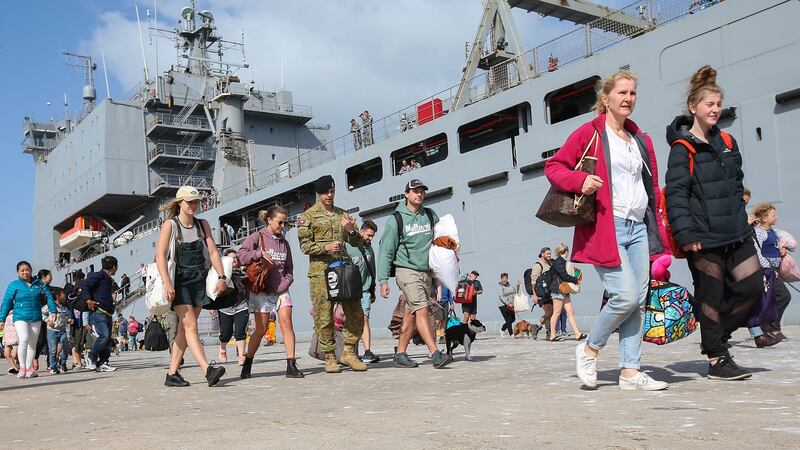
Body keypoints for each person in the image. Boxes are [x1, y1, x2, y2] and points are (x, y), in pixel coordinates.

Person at [546, 70, 670, 391]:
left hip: (639, 226)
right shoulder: (589, 133)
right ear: (606, 99)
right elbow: (554, 167)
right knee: (625, 296)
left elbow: (650, 184)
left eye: (632, 93)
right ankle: (589, 348)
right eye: (622, 93)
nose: (628, 99)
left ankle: (630, 372)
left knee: (638, 300)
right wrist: (581, 181)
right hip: (607, 225)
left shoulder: (639, 139)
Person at [664, 65, 762, 381]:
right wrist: (686, 233)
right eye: (710, 104)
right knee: (709, 296)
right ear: (694, 107)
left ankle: (715, 332)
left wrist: (741, 214)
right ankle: (718, 358)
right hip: (703, 237)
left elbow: (736, 185)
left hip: (735, 230)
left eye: (719, 104)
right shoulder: (683, 148)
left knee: (752, 287)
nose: (716, 110)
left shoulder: (728, 143)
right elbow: (676, 195)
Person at [378, 178, 453, 369]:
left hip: (426, 272)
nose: (419, 194)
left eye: (422, 191)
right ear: (406, 194)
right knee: (422, 309)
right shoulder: (396, 219)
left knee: (411, 313)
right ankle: (434, 353)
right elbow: (386, 250)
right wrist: (383, 280)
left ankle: (400, 353)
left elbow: (440, 240)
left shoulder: (430, 215)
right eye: (415, 191)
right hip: (406, 270)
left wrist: (451, 250)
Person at [156, 186, 226, 387]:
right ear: (180, 203)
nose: (194, 205)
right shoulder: (170, 225)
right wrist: (167, 282)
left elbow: (213, 252)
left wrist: (221, 276)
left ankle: (172, 374)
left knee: (184, 330)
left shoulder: (202, 224)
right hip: (179, 281)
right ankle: (208, 370)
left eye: (196, 202)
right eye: (189, 202)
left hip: (198, 280)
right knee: (191, 326)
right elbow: (160, 256)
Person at [298, 175, 367, 373]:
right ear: (318, 193)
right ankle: (329, 357)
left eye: (332, 191)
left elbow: (355, 242)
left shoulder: (342, 214)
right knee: (324, 315)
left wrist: (351, 231)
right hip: (320, 272)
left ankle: (349, 352)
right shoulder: (307, 217)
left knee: (355, 311)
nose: (329, 195)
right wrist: (325, 246)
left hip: (343, 269)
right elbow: (304, 246)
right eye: (325, 192)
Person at [238, 205, 303, 379]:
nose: (283, 226)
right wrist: (259, 253)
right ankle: (248, 362)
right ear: (269, 220)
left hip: (282, 290)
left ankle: (291, 364)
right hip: (262, 290)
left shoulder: (285, 243)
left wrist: (287, 281)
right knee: (261, 329)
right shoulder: (257, 237)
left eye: (285, 222)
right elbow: (241, 255)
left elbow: (289, 267)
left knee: (287, 323)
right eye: (280, 222)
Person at [0, 261, 58, 378]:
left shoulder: (39, 284)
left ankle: (29, 368)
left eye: (27, 270)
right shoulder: (14, 285)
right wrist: (2, 319)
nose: (25, 272)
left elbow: (49, 297)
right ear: (18, 273)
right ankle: (22, 368)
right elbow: (7, 302)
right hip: (20, 317)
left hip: (36, 316)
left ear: (31, 271)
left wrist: (53, 311)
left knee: (32, 343)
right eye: (22, 270)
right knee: (24, 339)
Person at [747, 203, 790, 346]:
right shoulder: (759, 232)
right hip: (766, 270)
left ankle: (771, 327)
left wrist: (782, 247)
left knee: (777, 297)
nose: (776, 217)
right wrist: (767, 269)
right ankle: (770, 327)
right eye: (773, 215)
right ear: (764, 218)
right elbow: (757, 251)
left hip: (774, 270)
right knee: (782, 296)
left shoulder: (773, 232)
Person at [345, 219, 379, 363]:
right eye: (369, 235)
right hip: (351, 291)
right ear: (361, 231)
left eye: (372, 236)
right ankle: (352, 351)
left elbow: (373, 269)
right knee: (352, 321)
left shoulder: (369, 248)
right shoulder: (348, 246)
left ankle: (367, 351)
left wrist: (373, 289)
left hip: (365, 290)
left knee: (364, 319)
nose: (370, 239)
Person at [82, 256, 120, 373]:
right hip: (99, 312)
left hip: (107, 312)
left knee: (107, 341)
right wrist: (88, 300)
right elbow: (84, 285)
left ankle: (103, 362)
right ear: (114, 267)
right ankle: (91, 357)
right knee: (104, 336)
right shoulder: (99, 275)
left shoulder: (108, 279)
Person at [216, 249, 249, 366]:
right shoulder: (220, 275)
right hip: (225, 308)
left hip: (241, 305)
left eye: (235, 258)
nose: (234, 260)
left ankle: (241, 355)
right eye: (231, 258)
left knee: (240, 332)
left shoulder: (243, 273)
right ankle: (223, 349)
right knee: (226, 334)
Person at [549, 243, 586, 341]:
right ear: (566, 252)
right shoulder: (559, 262)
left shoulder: (561, 262)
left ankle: (577, 334)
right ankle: (552, 335)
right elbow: (564, 276)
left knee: (570, 312)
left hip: (564, 290)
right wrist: (576, 280)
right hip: (558, 290)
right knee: (556, 313)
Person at [43, 287, 72, 374]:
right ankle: (53, 367)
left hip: (63, 330)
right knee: (53, 350)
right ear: (57, 295)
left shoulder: (63, 307)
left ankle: (62, 363)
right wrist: (47, 320)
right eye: (62, 293)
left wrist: (70, 319)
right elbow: (41, 313)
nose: (64, 295)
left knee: (66, 347)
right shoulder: (49, 306)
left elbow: (68, 316)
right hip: (52, 330)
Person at [530, 247, 554, 340]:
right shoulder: (538, 265)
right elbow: (533, 281)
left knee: (550, 313)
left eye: (550, 254)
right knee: (549, 312)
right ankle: (545, 330)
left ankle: (540, 328)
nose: (549, 255)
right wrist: (534, 295)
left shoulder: (549, 264)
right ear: (542, 254)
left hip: (549, 292)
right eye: (548, 253)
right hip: (541, 293)